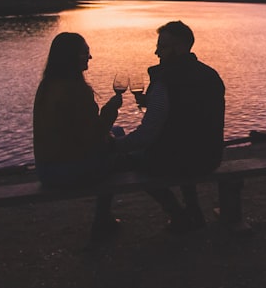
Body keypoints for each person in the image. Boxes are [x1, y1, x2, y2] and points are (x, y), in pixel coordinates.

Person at [112, 20, 226, 233]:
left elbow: (147, 134)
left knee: (129, 162)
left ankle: (177, 213)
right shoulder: (211, 75)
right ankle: (194, 210)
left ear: (181, 47)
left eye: (162, 46)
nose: (156, 52)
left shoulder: (166, 80)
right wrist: (153, 102)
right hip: (209, 157)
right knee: (184, 145)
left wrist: (114, 145)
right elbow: (191, 113)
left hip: (177, 161)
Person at [32, 32, 123, 242]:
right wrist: (109, 112)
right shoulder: (75, 90)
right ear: (71, 57)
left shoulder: (46, 86)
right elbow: (92, 137)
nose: (89, 57)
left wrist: (106, 134)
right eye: (85, 53)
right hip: (65, 171)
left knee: (117, 133)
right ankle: (102, 219)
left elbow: (78, 132)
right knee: (117, 155)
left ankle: (104, 218)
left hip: (45, 169)